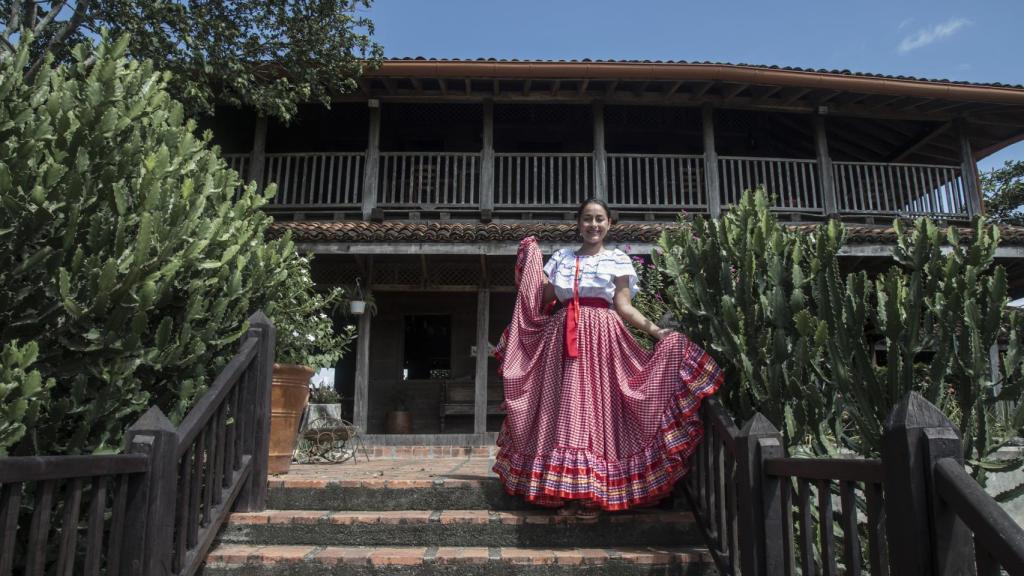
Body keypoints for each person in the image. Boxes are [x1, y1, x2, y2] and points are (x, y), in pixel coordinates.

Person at [492, 198, 722, 517]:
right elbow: (541, 298)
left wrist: (658, 332)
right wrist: (531, 262)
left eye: (600, 219)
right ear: (579, 223)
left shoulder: (617, 260)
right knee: (569, 412)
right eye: (587, 219)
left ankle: (594, 493)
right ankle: (567, 493)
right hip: (562, 340)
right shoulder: (561, 258)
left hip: (604, 339)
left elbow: (624, 307)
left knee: (600, 412)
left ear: (609, 223)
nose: (593, 225)